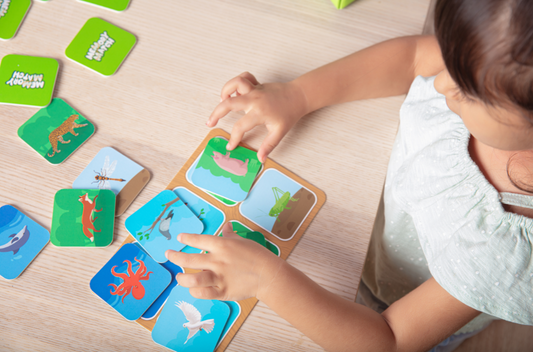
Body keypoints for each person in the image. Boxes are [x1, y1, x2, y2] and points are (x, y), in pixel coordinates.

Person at [165, 0, 533, 350]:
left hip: (401, 302)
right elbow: (415, 58)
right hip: (376, 229)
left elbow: (390, 340)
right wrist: (297, 95)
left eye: (468, 92)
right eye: (450, 62)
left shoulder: (506, 253)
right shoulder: (498, 44)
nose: (439, 83)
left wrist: (266, 279)